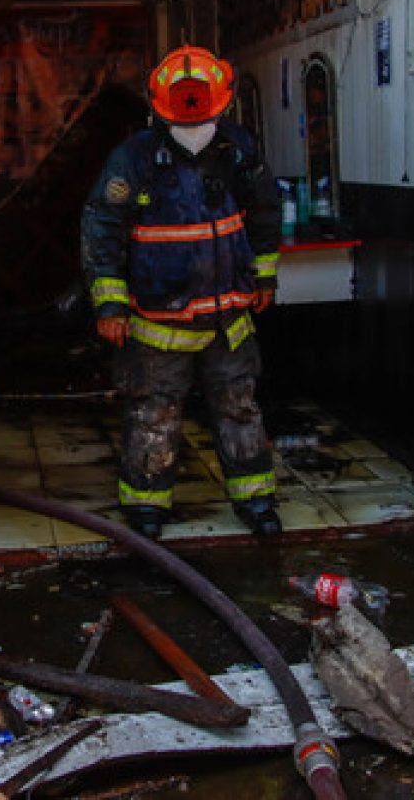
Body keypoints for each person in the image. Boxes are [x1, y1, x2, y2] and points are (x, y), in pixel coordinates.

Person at [81, 44, 283, 541]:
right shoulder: (134, 159)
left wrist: (264, 276)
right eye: (184, 99)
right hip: (157, 323)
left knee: (239, 407)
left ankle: (256, 499)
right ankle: (146, 508)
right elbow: (101, 229)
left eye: (200, 98)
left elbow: (263, 214)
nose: (193, 111)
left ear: (220, 98)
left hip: (229, 317)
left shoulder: (238, 150)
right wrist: (109, 303)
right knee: (154, 413)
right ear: (161, 102)